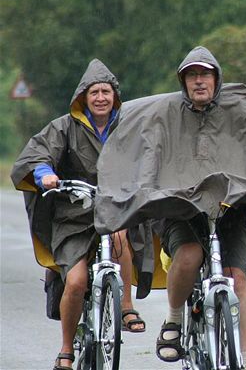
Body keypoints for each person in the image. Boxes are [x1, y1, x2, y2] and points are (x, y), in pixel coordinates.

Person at [92, 46, 246, 369]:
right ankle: (174, 322)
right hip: (179, 211)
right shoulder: (164, 112)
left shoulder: (239, 106)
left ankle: (241, 359)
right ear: (183, 80)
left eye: (205, 74)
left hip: (230, 209)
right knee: (189, 255)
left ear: (216, 78)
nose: (199, 81)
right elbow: (140, 148)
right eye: (192, 75)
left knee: (238, 279)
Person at [10, 59, 146, 370]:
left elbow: (149, 153)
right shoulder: (64, 127)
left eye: (106, 91)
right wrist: (45, 174)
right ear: (82, 97)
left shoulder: (128, 125)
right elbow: (38, 154)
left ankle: (126, 306)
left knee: (121, 232)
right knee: (75, 282)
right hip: (74, 215)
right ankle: (66, 349)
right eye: (94, 92)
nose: (100, 97)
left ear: (115, 96)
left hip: (115, 208)